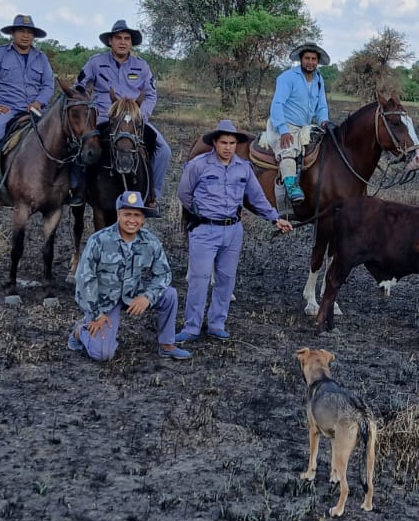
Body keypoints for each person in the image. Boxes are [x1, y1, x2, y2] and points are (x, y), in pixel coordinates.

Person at [174, 120, 294, 342]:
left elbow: (257, 198)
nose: (228, 147)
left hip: (233, 231)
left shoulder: (243, 168)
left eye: (231, 143)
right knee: (199, 280)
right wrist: (202, 213)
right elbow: (184, 194)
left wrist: (275, 218)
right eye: (223, 142)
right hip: (204, 229)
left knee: (226, 279)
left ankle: (217, 323)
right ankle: (191, 326)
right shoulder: (198, 166)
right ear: (215, 143)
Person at [69, 190, 192, 361]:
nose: (132, 220)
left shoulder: (150, 242)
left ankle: (167, 344)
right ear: (118, 215)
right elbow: (84, 279)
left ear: (143, 219)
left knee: (169, 294)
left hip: (131, 292)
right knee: (103, 355)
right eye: (127, 214)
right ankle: (80, 331)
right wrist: (96, 313)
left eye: (137, 215)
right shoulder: (99, 240)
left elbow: (163, 274)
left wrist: (147, 297)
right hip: (103, 300)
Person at [76, 19, 172, 206]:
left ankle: (152, 194)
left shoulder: (142, 66)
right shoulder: (96, 63)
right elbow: (79, 88)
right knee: (80, 147)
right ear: (110, 41)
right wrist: (87, 110)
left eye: (127, 38)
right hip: (104, 117)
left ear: (131, 42)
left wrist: (140, 115)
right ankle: (77, 189)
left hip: (133, 119)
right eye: (118, 38)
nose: (122, 42)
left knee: (164, 151)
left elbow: (151, 94)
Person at [0, 14, 56, 200]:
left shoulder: (41, 58)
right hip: (7, 108)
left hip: (33, 110)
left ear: (34, 36)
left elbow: (48, 84)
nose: (25, 35)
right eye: (21, 31)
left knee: (56, 137)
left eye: (29, 32)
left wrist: (39, 102)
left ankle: (56, 183)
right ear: (13, 33)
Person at [264, 42, 331, 203]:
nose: (310, 62)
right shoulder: (287, 78)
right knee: (288, 148)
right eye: (307, 58)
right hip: (284, 124)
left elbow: (321, 105)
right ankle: (291, 185)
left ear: (318, 61)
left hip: (305, 127)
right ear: (301, 60)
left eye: (313, 59)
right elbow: (277, 104)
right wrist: (283, 129)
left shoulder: (319, 80)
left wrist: (324, 121)